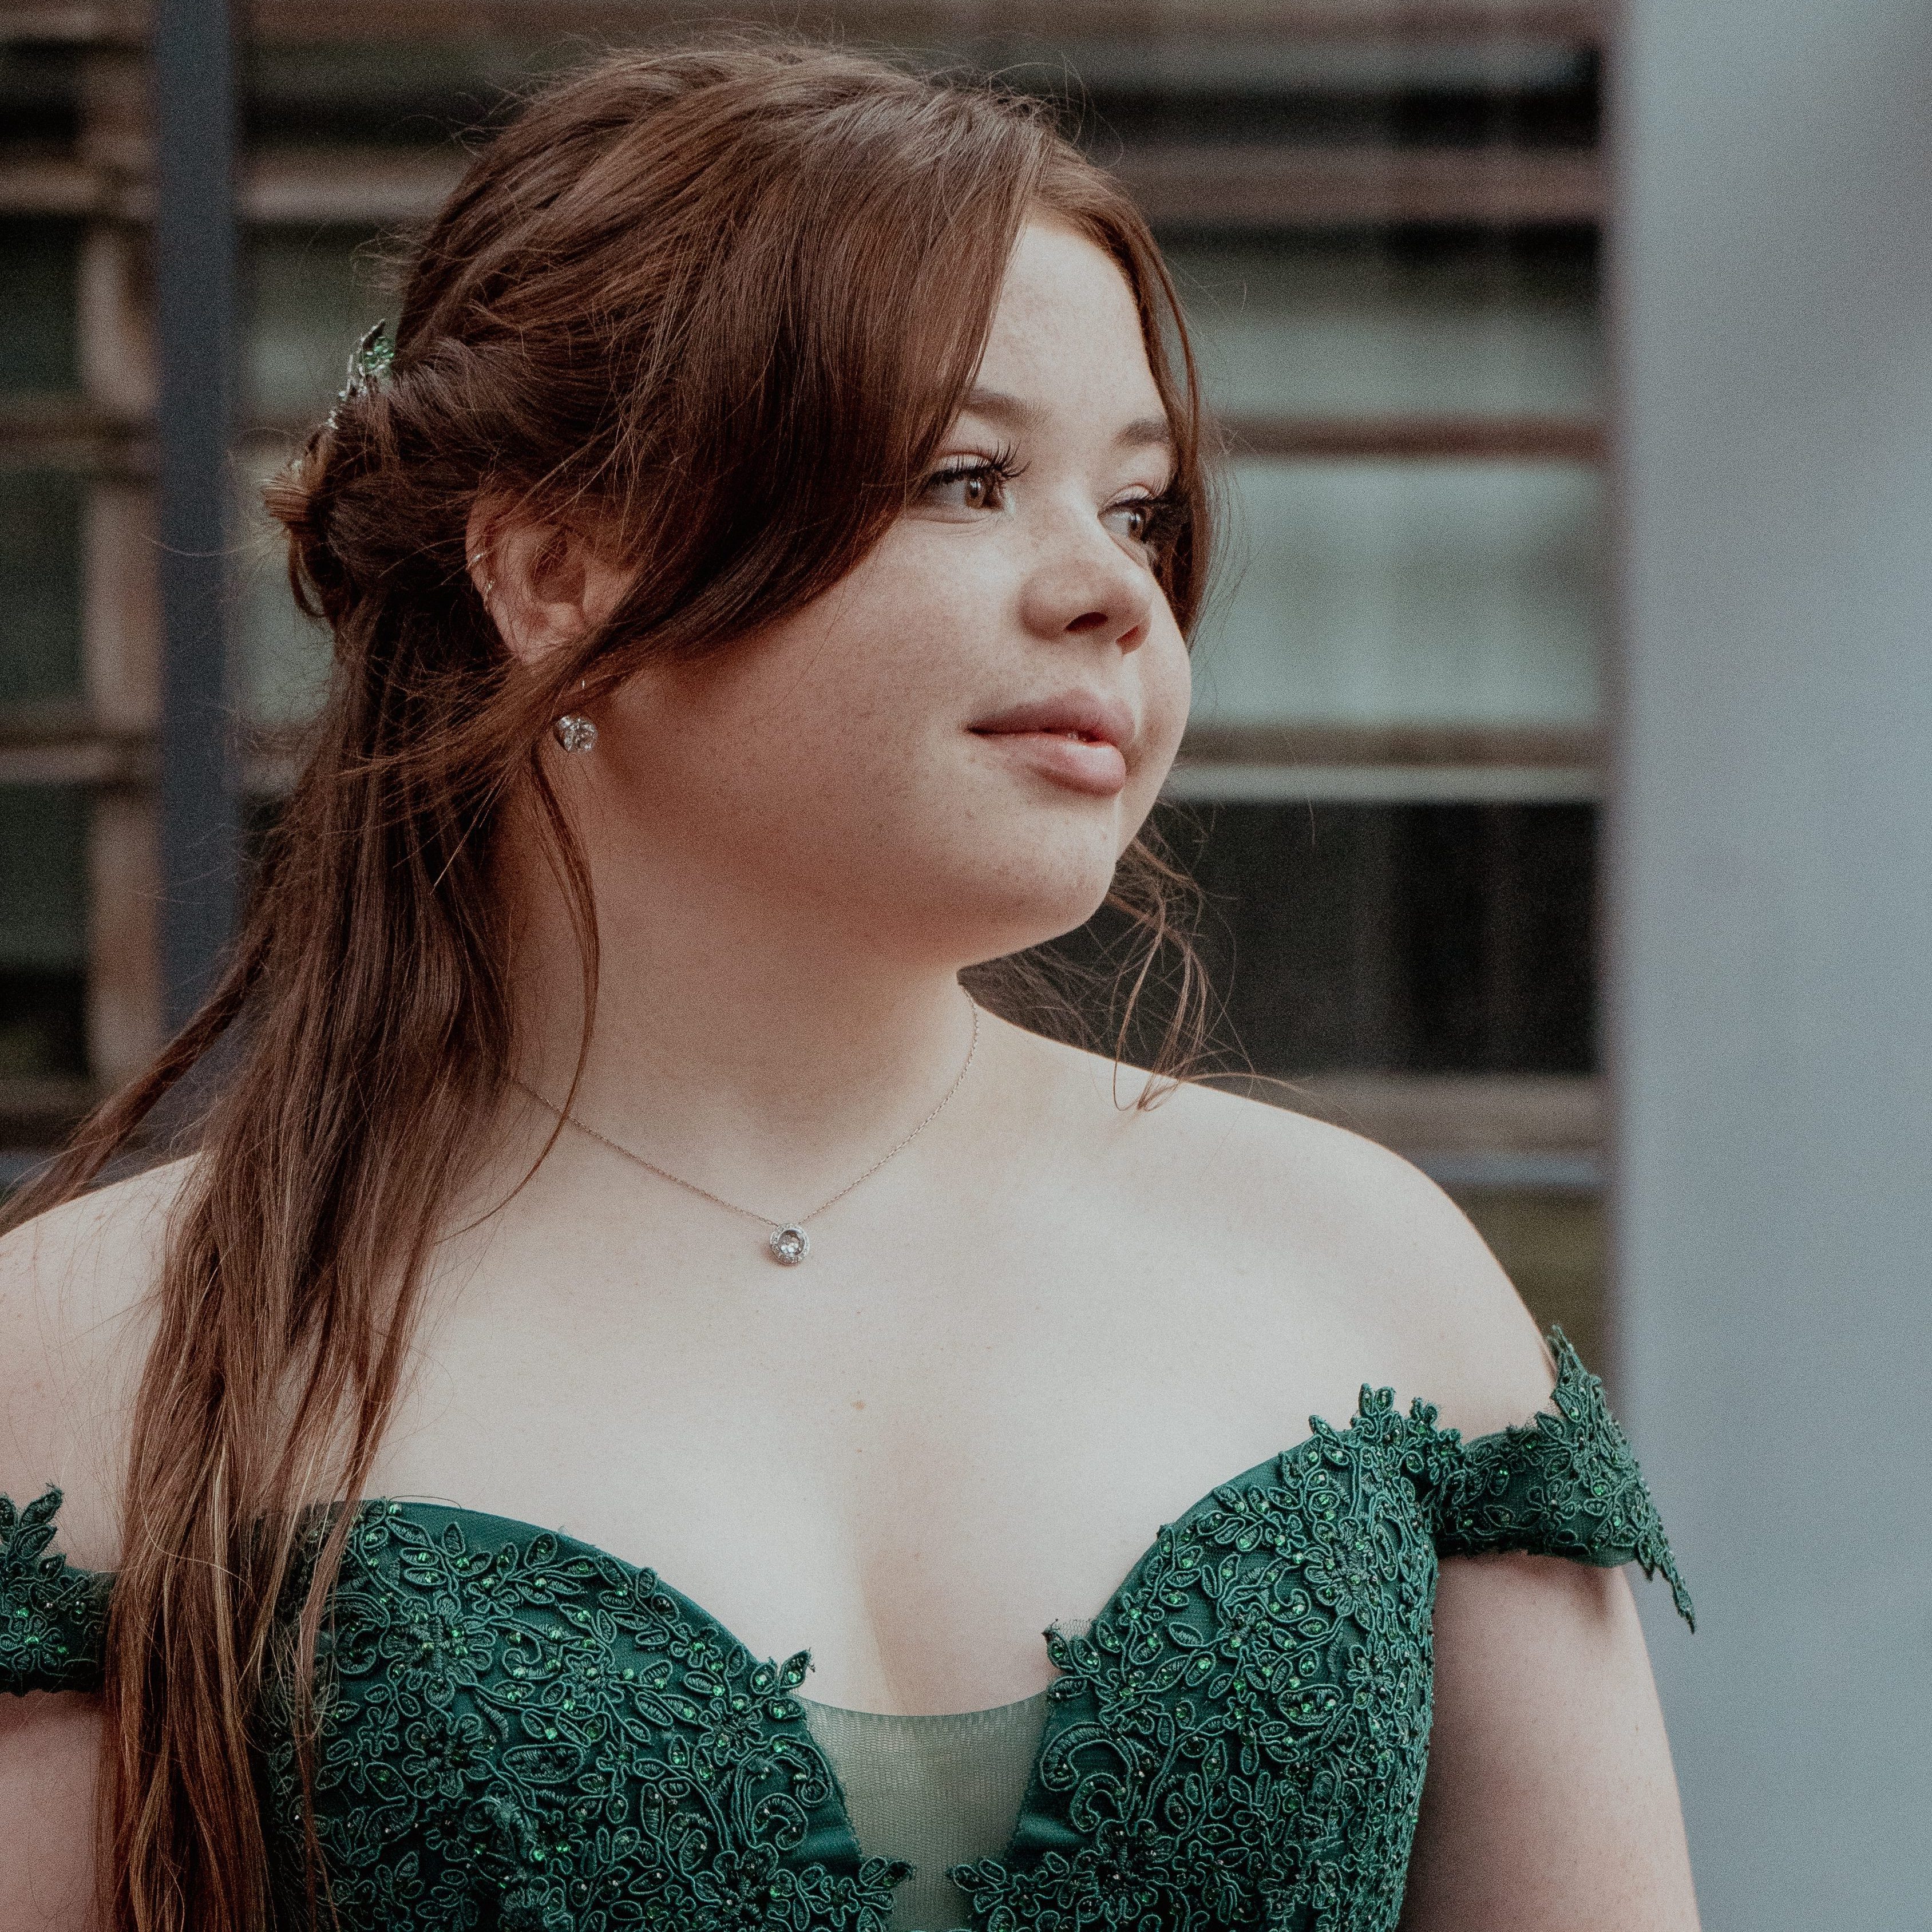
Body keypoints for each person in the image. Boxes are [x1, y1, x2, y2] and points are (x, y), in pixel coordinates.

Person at [0, 40, 1698, 1932]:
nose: (1113, 594)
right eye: (968, 480)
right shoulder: (104, 1348)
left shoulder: (1364, 1276)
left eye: (1139, 509)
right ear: (555, 568)